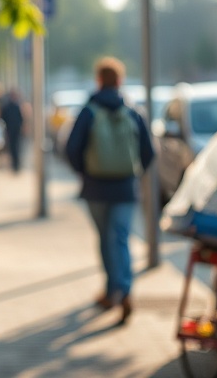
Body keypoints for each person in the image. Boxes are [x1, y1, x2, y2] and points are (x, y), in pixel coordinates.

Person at [65, 56, 155, 324]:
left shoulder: (89, 111)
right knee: (121, 239)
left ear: (98, 80)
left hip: (96, 188)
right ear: (119, 81)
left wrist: (85, 171)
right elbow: (149, 152)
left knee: (105, 239)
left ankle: (112, 289)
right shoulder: (133, 111)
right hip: (125, 187)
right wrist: (133, 172)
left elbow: (71, 148)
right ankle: (124, 290)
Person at [0, 88, 26, 172]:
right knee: (13, 147)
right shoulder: (10, 107)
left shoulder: (15, 106)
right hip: (11, 130)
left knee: (15, 147)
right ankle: (15, 164)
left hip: (14, 130)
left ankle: (16, 164)